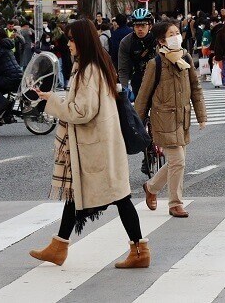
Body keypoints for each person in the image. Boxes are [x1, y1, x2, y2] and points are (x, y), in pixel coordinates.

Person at [29, 19, 150, 268]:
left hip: (95, 145)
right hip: (100, 143)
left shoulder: (88, 70)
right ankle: (59, 246)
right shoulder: (95, 63)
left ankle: (139, 251)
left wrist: (51, 101)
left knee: (118, 197)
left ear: (82, 40)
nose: (69, 44)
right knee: (84, 195)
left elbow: (82, 111)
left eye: (72, 39)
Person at [135, 22, 207, 218]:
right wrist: (136, 123)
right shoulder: (155, 64)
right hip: (163, 120)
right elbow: (143, 96)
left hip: (182, 119)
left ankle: (151, 187)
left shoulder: (185, 58)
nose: (176, 36)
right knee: (178, 161)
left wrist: (201, 116)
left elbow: (196, 88)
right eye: (171, 34)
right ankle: (175, 204)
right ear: (161, 40)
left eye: (177, 33)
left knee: (176, 162)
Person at [118, 10, 156, 100]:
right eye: (136, 26)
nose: (140, 29)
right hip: (138, 81)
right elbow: (123, 69)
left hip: (158, 81)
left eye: (143, 25)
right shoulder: (126, 42)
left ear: (150, 26)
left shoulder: (157, 39)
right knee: (139, 112)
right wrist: (124, 88)